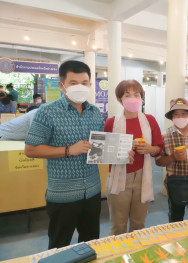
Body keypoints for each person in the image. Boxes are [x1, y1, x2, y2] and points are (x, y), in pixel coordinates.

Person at [24, 60, 104, 249]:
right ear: (62, 85)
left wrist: (120, 153)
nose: (80, 87)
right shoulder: (47, 112)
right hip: (63, 194)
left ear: (90, 85)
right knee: (59, 246)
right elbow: (31, 149)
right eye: (73, 83)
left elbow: (99, 149)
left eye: (84, 83)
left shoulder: (95, 113)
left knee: (91, 243)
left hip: (92, 190)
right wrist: (69, 150)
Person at [104, 79, 163, 235]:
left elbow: (159, 149)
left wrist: (150, 148)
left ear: (142, 98)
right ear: (119, 99)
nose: (133, 98)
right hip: (119, 177)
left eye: (137, 94)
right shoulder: (111, 123)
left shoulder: (149, 120)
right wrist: (121, 152)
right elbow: (104, 153)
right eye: (127, 94)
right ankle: (118, 257)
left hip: (143, 176)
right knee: (118, 224)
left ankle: (135, 255)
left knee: (139, 224)